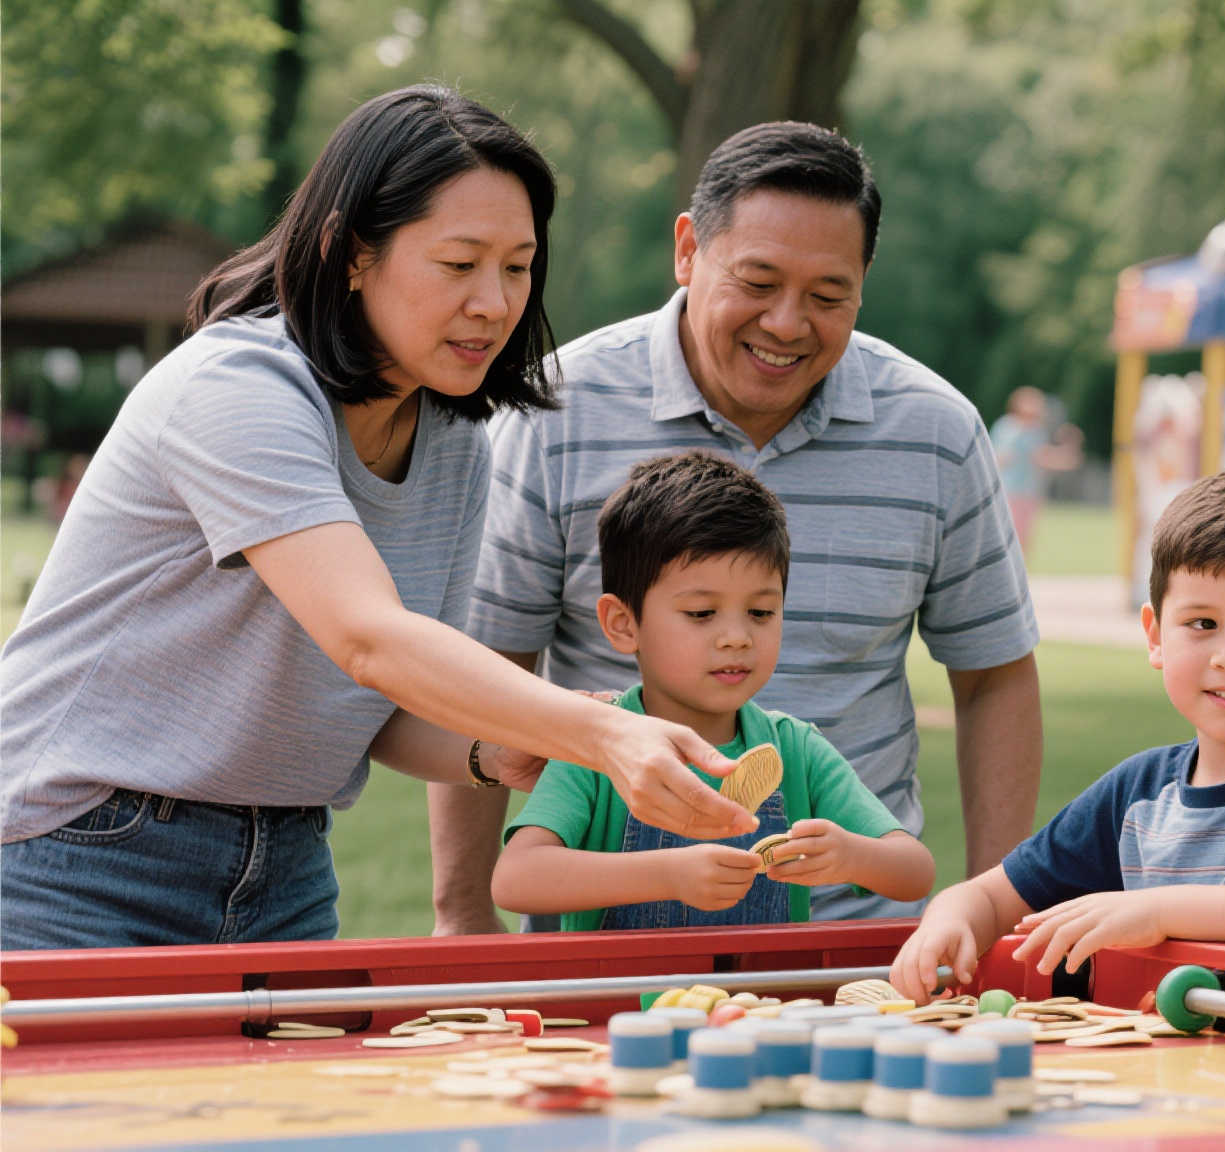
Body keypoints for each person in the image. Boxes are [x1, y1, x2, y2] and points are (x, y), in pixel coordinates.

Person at [0, 85, 751, 951]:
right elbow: (370, 638)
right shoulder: (237, 390)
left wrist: (498, 749)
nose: (496, 303)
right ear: (351, 253)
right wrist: (605, 730)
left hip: (285, 863)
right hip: (80, 855)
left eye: (517, 266)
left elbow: (382, 699)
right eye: (460, 263)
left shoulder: (454, 437)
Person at [438, 121, 1040, 931]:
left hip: (850, 946)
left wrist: (997, 912)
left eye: (829, 297)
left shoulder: (936, 430)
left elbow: (995, 672)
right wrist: (462, 912)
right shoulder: (554, 412)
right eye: (757, 282)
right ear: (688, 250)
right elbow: (486, 669)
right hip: (609, 953)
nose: (788, 324)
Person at [891, 468, 1225, 1000]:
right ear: (1156, 636)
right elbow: (990, 899)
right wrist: (946, 922)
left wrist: (1155, 911)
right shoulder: (1135, 794)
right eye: (1202, 624)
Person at [492, 453, 933, 927]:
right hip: (621, 1002)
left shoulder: (796, 749)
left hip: (767, 1002)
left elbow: (914, 871)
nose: (737, 637)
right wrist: (666, 875)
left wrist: (852, 856)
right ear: (623, 624)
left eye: (760, 613)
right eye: (702, 613)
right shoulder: (596, 750)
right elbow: (517, 878)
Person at [989, 385, 1081, 559]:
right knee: (1009, 537)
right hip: (1009, 491)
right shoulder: (1008, 427)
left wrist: (1066, 455)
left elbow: (1041, 457)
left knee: (1024, 538)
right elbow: (1000, 457)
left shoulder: (1035, 431)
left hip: (1029, 492)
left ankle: (1019, 577)